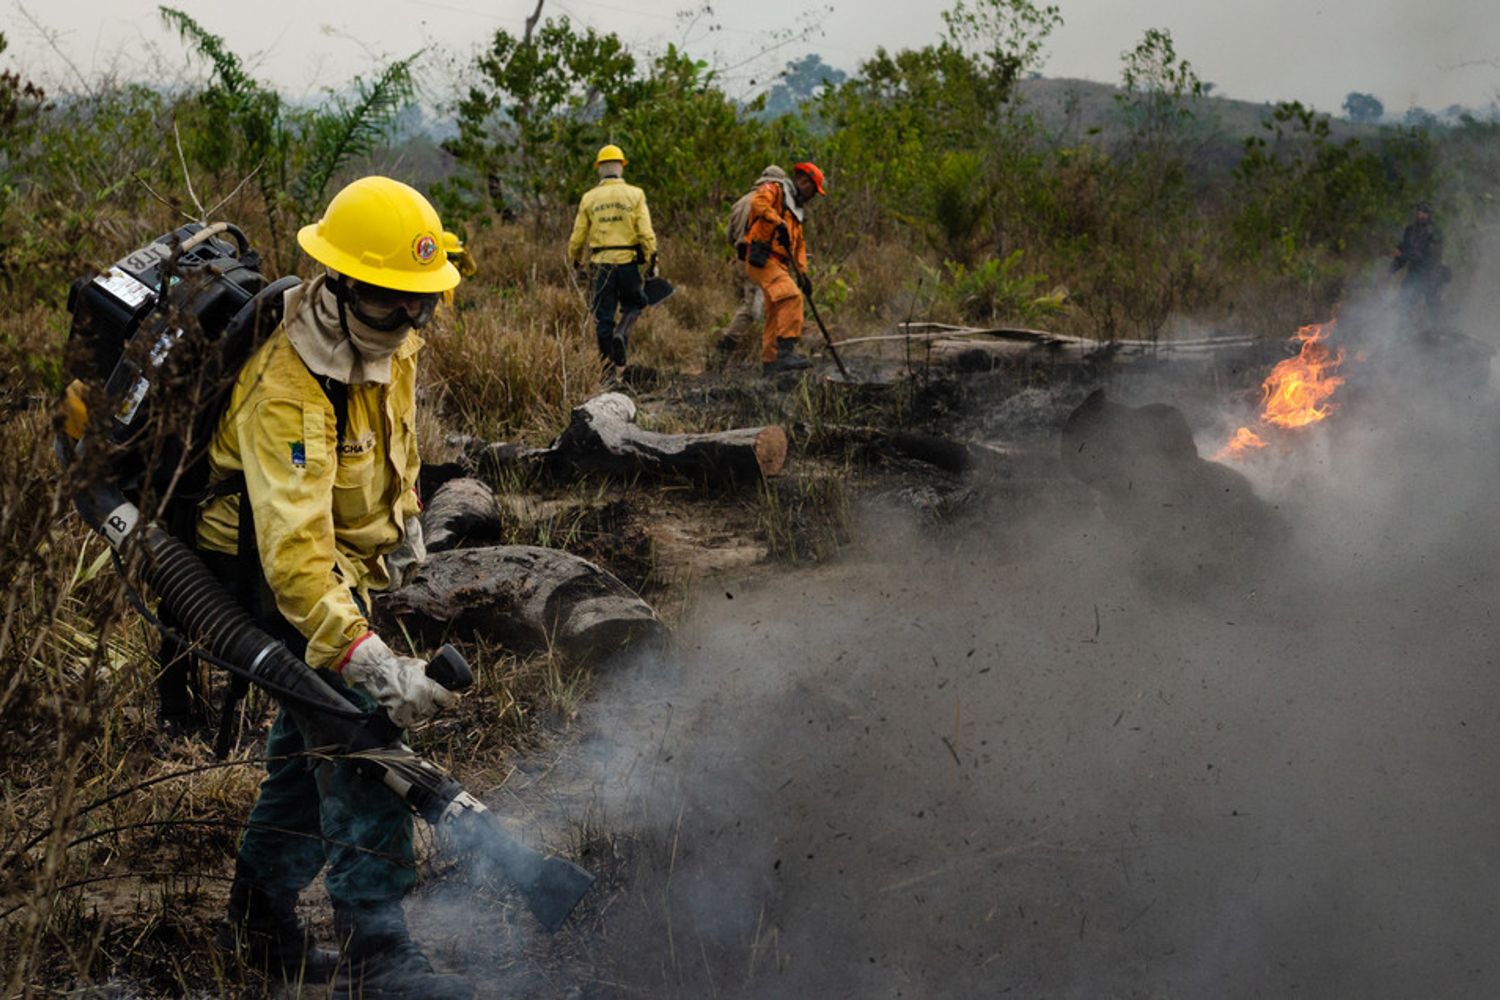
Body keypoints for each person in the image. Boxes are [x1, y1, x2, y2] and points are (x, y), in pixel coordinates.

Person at [198, 175, 471, 999]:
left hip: (339, 564)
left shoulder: (391, 334)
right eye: (397, 305)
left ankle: (257, 928)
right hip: (258, 575)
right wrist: (367, 657)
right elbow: (294, 559)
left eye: (424, 305)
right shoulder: (286, 386)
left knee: (303, 747)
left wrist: (406, 514)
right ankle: (378, 953)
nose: (414, 322)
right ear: (344, 284)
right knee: (361, 743)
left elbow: (391, 443)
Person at [567, 144, 658, 370]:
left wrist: (576, 259)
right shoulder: (636, 194)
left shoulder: (589, 198)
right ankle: (622, 332)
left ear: (599, 168)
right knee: (635, 303)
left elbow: (577, 237)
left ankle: (607, 372)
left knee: (603, 317)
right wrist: (651, 259)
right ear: (621, 167)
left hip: (601, 266)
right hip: (628, 262)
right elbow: (646, 233)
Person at [738, 161, 825, 376]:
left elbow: (800, 245)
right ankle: (786, 354)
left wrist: (802, 273)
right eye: (813, 190)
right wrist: (778, 223)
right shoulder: (775, 190)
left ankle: (771, 361)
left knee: (775, 311)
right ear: (803, 181)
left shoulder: (795, 209)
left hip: (779, 263)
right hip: (762, 258)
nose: (813, 195)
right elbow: (758, 203)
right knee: (791, 297)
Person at [715, 166, 787, 358]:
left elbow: (730, 237)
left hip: (740, 260)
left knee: (758, 306)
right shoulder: (770, 203)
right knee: (752, 310)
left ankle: (764, 351)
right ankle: (724, 349)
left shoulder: (740, 202)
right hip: (759, 261)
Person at [1392, 200, 1446, 324]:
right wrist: (1391, 270)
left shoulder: (1435, 233)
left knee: (1433, 308)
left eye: (1425, 212)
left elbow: (1428, 258)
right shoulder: (1410, 230)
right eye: (1420, 212)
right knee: (1404, 303)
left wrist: (1404, 254)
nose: (1421, 215)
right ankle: (1402, 333)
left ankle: (1439, 331)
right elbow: (1403, 250)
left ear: (1430, 215)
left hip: (1430, 275)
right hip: (1414, 273)